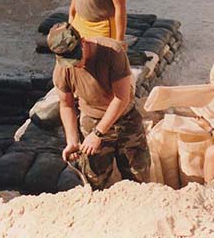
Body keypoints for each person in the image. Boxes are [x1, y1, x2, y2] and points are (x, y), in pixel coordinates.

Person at [48, 22, 150, 190]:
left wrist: (98, 133)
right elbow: (66, 105)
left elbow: (121, 98)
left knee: (138, 177)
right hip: (91, 121)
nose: (76, 64)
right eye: (70, 61)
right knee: (94, 180)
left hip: (125, 120)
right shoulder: (63, 70)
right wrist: (72, 140)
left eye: (77, 57)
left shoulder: (112, 52)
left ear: (83, 41)